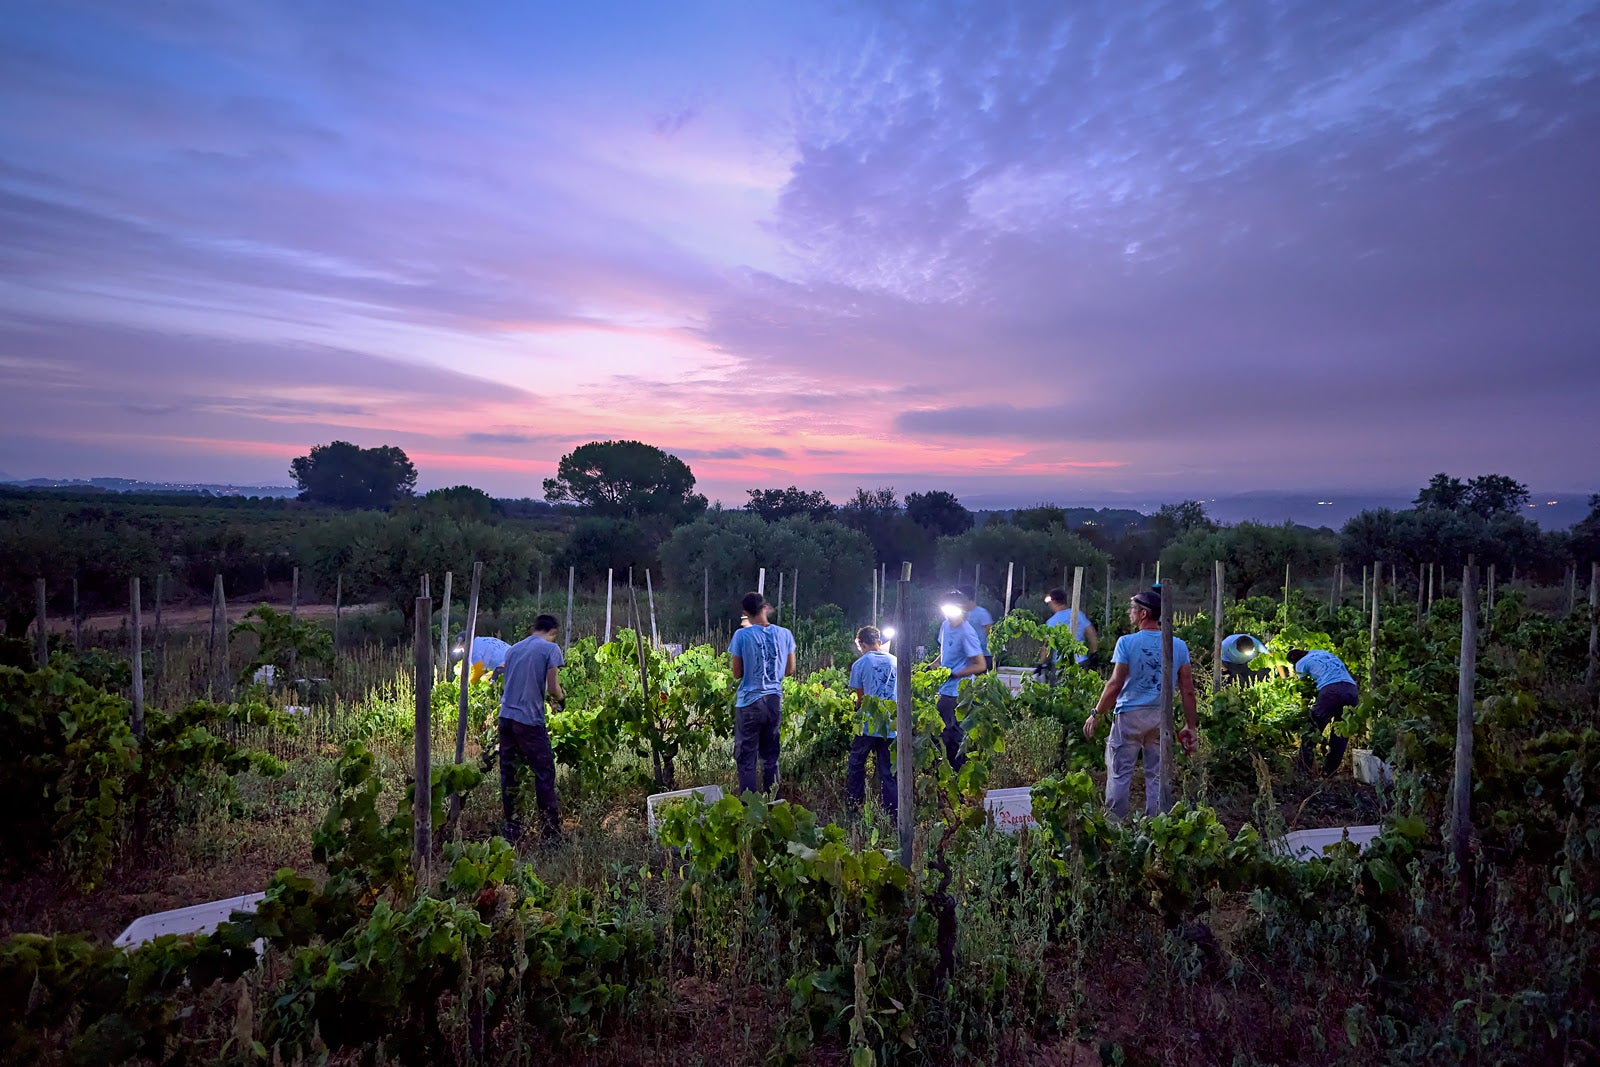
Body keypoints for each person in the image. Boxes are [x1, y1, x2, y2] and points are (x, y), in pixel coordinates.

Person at [1083, 589, 1197, 819]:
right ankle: (1156, 828)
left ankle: (1115, 827)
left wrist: (1096, 713)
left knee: (1119, 772)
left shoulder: (1126, 643)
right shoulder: (1178, 645)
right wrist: (1190, 725)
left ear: (1144, 614)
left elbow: (1115, 683)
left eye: (1133, 609)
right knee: (1156, 774)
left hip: (1129, 716)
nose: (1129, 613)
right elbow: (1188, 690)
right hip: (1160, 717)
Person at [497, 614, 565, 845]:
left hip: (506, 717)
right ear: (553, 631)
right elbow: (553, 689)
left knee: (510, 775)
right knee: (544, 773)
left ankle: (513, 828)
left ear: (533, 628)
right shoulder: (550, 649)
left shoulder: (513, 650)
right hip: (529, 720)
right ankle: (550, 833)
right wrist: (561, 698)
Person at [728, 591, 797, 795]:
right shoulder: (785, 634)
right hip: (774, 701)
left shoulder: (741, 635)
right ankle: (773, 805)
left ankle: (749, 810)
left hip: (749, 702)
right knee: (770, 757)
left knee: (746, 759)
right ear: (765, 608)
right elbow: (790, 670)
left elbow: (737, 673)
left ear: (745, 613)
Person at [846, 626, 898, 817]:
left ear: (862, 643)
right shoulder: (896, 661)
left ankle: (854, 807)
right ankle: (893, 814)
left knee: (856, 764)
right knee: (889, 773)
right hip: (891, 726)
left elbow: (860, 699)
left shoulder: (860, 664)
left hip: (868, 725)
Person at [936, 590, 988, 770]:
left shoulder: (966, 631)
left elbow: (980, 665)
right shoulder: (944, 626)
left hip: (958, 693)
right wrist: (931, 667)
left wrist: (955, 673)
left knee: (954, 738)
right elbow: (943, 653)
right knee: (941, 736)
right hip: (944, 689)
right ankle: (944, 775)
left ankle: (958, 777)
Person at [1287, 648, 1359, 775]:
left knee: (1312, 730)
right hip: (1351, 690)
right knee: (1341, 732)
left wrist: (1304, 710)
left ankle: (1303, 770)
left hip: (1331, 691)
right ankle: (1329, 771)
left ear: (1294, 661)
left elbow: (1304, 690)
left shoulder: (1300, 663)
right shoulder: (1321, 652)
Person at [1039, 586, 1099, 671]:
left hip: (1060, 664)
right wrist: (1094, 654)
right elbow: (1092, 634)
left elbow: (1047, 646)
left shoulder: (1051, 622)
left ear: (1053, 602)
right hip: (1080, 661)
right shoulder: (1078, 615)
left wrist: (1041, 664)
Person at [959, 587, 995, 672]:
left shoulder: (982, 613)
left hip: (983, 655)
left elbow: (989, 633)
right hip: (967, 655)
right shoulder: (962, 615)